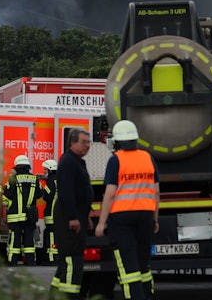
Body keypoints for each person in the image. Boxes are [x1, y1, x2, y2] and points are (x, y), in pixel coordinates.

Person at [94, 120, 158, 300]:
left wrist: (101, 223)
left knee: (129, 269)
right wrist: (155, 219)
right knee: (144, 266)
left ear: (117, 141)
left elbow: (110, 194)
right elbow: (156, 192)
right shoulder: (148, 158)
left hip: (122, 219)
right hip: (145, 216)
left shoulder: (116, 160)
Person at [50, 128, 93, 296]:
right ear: (72, 143)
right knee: (72, 261)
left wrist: (86, 214)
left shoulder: (78, 162)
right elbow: (66, 192)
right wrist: (73, 217)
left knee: (66, 264)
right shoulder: (68, 161)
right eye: (83, 142)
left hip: (77, 216)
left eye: (88, 142)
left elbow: (80, 192)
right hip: (68, 219)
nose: (87, 146)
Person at [3, 154, 43, 265]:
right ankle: (30, 261)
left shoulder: (13, 179)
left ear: (17, 166)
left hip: (16, 215)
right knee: (29, 238)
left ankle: (13, 261)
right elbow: (40, 194)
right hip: (30, 215)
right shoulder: (35, 178)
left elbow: (7, 194)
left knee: (15, 238)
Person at [40, 159, 59, 264]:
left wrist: (42, 190)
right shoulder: (61, 179)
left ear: (50, 170)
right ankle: (56, 257)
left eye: (45, 169)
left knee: (51, 235)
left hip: (51, 214)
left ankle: (52, 258)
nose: (44, 171)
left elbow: (47, 197)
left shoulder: (51, 181)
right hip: (60, 214)